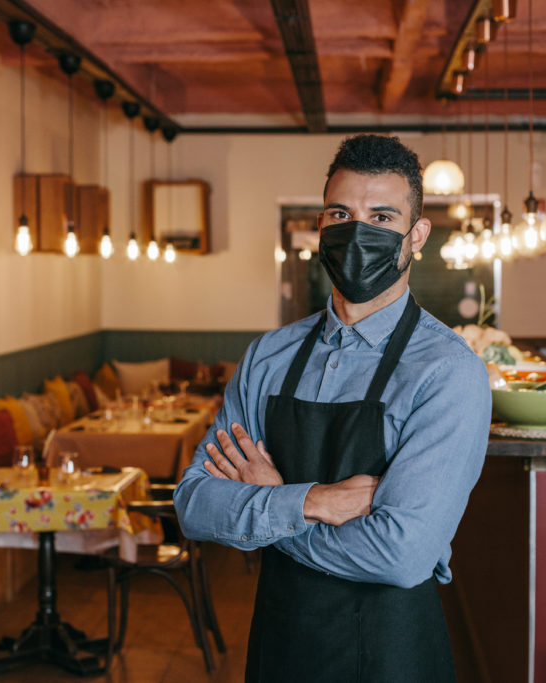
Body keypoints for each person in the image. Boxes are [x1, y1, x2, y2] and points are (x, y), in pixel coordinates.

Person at [174, 134, 491, 682]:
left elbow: (401, 556)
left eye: (383, 217)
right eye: (341, 212)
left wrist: (272, 505)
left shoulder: (447, 372)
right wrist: (315, 501)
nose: (358, 231)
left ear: (416, 236)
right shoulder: (267, 357)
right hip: (281, 647)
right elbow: (196, 504)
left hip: (391, 657)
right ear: (322, 224)